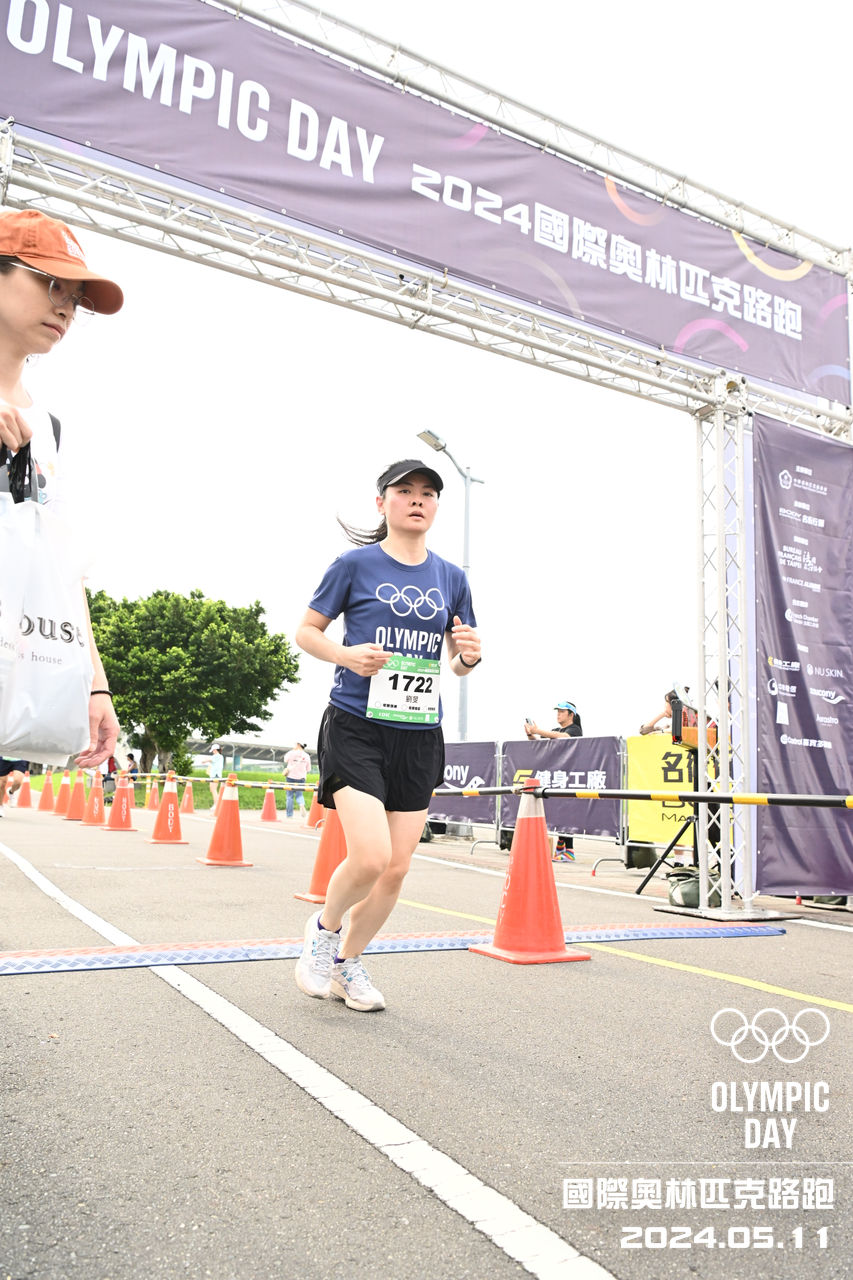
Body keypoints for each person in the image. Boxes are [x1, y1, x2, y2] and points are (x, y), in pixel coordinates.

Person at [293, 459, 481, 1013]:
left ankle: (347, 965)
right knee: (371, 856)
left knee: (396, 869)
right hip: (356, 724)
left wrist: (470, 657)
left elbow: (459, 661)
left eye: (428, 493)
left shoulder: (452, 578)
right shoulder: (354, 565)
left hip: (419, 732)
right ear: (382, 503)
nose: (418, 500)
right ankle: (323, 934)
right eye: (405, 491)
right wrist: (346, 655)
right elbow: (306, 631)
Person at [0, 208, 123, 768]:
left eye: (75, 298)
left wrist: (95, 684)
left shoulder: (47, 428)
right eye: (53, 284)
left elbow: (61, 567)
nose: (66, 308)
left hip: (16, 671)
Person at [523, 701, 583, 860]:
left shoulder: (575, 729)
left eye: (562, 711)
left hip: (570, 775)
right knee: (559, 811)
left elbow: (564, 737)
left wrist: (538, 730)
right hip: (557, 775)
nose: (558, 714)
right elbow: (538, 742)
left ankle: (569, 851)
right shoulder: (556, 730)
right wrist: (530, 734)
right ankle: (560, 847)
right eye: (557, 711)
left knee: (567, 811)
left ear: (571, 715)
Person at [283, 741, 311, 819]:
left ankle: (289, 815)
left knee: (289, 796)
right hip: (301, 778)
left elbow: (285, 760)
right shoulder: (306, 755)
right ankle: (301, 804)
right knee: (299, 795)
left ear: (298, 745)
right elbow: (308, 769)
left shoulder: (291, 753)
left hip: (290, 777)